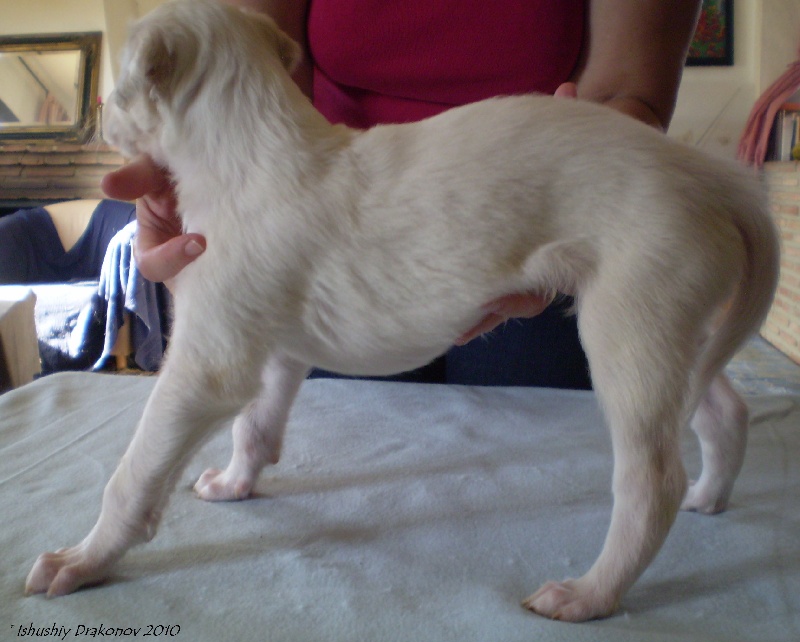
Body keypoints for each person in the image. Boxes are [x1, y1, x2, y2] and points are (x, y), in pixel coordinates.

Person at [102, 0, 702, 387]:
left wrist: (582, 195)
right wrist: (187, 170)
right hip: (332, 250)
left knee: (537, 477)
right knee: (357, 480)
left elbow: (627, 91)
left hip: (531, 225)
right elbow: (256, 74)